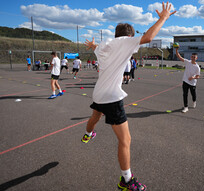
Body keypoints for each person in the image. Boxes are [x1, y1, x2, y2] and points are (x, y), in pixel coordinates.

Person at [83, 2, 176, 190]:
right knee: (125, 141)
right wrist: (163, 18)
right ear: (129, 36)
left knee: (95, 116)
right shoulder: (125, 42)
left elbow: (95, 48)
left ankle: (87, 134)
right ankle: (126, 180)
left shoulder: (104, 45)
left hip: (99, 93)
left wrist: (92, 44)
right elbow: (149, 37)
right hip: (111, 97)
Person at [175, 47, 200, 113]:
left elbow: (198, 76)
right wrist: (176, 50)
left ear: (196, 58)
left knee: (193, 94)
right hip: (185, 81)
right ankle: (186, 107)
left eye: (194, 57)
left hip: (192, 83)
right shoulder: (187, 62)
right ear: (191, 57)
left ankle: (194, 101)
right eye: (192, 57)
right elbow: (179, 57)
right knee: (185, 94)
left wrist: (193, 78)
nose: (193, 58)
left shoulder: (197, 67)